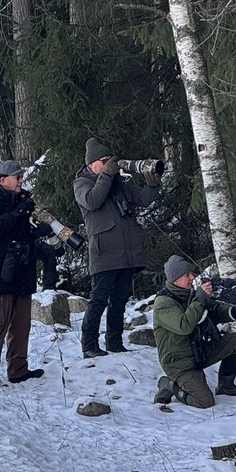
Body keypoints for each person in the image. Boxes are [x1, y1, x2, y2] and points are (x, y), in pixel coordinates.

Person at [73, 137, 161, 357]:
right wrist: (107, 175)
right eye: (104, 161)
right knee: (98, 300)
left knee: (120, 301)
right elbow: (93, 201)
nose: (110, 164)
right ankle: (90, 345)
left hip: (127, 251)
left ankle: (114, 342)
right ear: (92, 163)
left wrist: (152, 183)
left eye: (111, 160)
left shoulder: (119, 183)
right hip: (104, 252)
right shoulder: (82, 183)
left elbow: (143, 199)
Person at [151, 255, 236, 407]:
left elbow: (213, 310)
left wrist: (233, 313)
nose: (192, 277)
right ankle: (170, 385)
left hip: (198, 354)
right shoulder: (163, 304)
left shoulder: (190, 293)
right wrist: (200, 299)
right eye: (187, 275)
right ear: (175, 279)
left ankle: (226, 386)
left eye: (191, 273)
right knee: (205, 401)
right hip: (179, 365)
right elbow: (184, 325)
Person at [0, 160, 49, 386]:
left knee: (21, 325)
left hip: (21, 273)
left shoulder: (23, 201)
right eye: (17, 177)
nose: (21, 181)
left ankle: (18, 369)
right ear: (2, 179)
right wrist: (18, 214)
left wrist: (38, 236)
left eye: (21, 177)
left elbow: (21, 233)